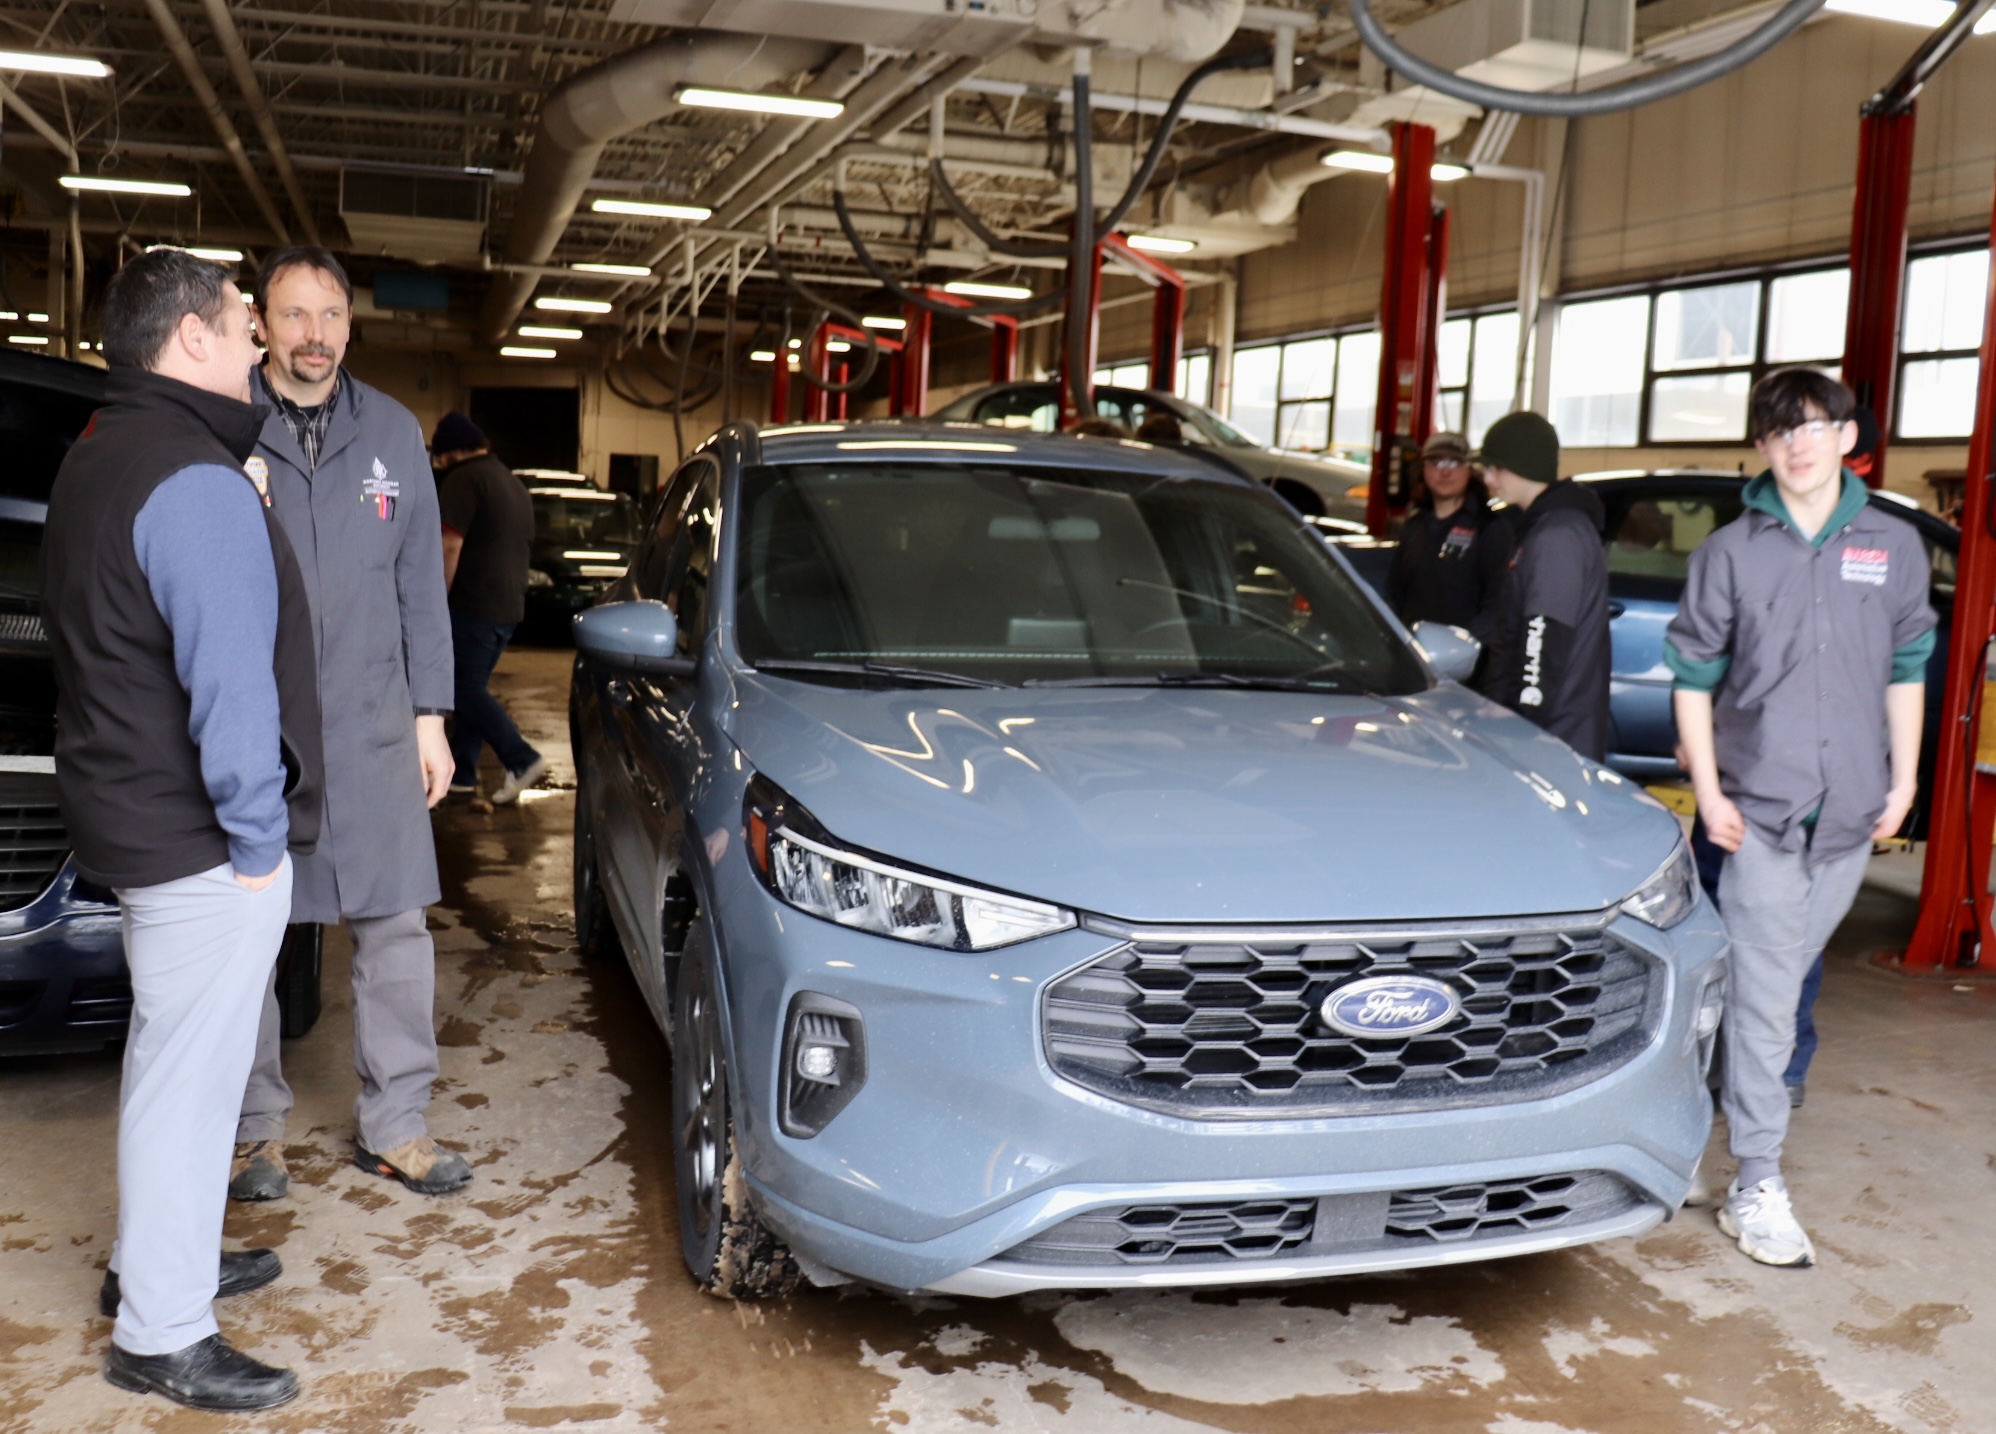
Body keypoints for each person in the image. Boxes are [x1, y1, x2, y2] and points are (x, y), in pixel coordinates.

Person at [41, 248, 322, 1410]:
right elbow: (231, 693)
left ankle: (155, 1265)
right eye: (243, 321)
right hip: (204, 841)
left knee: (174, 1067)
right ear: (189, 339)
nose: (260, 340)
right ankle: (161, 1332)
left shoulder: (106, 452)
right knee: (186, 1081)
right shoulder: (194, 482)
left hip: (132, 813)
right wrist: (260, 847)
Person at [1667, 368, 1935, 1268]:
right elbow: (1694, 682)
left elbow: (1907, 665)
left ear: (1848, 434)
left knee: (1764, 985)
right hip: (1763, 811)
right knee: (1771, 1003)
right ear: (1763, 446)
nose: (1800, 443)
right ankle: (1756, 1180)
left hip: (1854, 811)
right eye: (1782, 430)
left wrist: (1904, 780)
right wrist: (1708, 793)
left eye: (1817, 425)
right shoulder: (1731, 553)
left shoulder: (1893, 546)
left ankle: (1697, 1139)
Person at [229, 246, 472, 1202]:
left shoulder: (395, 432)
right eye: (295, 316)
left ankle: (396, 1123)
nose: (315, 336)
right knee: (249, 936)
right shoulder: (226, 423)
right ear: (260, 323)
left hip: (374, 721)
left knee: (397, 928)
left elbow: (421, 584)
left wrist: (432, 717)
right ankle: (254, 1135)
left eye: (330, 316)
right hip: (261, 727)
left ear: (349, 326)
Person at [1478, 411, 1611, 760]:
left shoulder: (1557, 536)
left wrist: (1522, 725)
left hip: (1552, 742)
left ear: (1526, 466)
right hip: (1552, 735)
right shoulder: (1544, 527)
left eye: (1496, 467)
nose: (1488, 477)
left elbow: (1544, 637)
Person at [431, 411, 546, 804]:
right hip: (508, 607)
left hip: (473, 604)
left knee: (461, 690)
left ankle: (522, 758)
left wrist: (437, 597)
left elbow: (450, 544)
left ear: (448, 454)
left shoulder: (463, 480)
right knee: (471, 688)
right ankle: (462, 774)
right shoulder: (510, 481)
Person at [1385, 431, 1515, 698]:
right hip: (1415, 670)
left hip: (1468, 676)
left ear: (1470, 470)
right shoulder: (1413, 528)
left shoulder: (1489, 529)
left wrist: (1463, 650)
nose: (1445, 472)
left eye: (1454, 463)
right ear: (1423, 470)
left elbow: (1499, 602)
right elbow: (1394, 596)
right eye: (1436, 463)